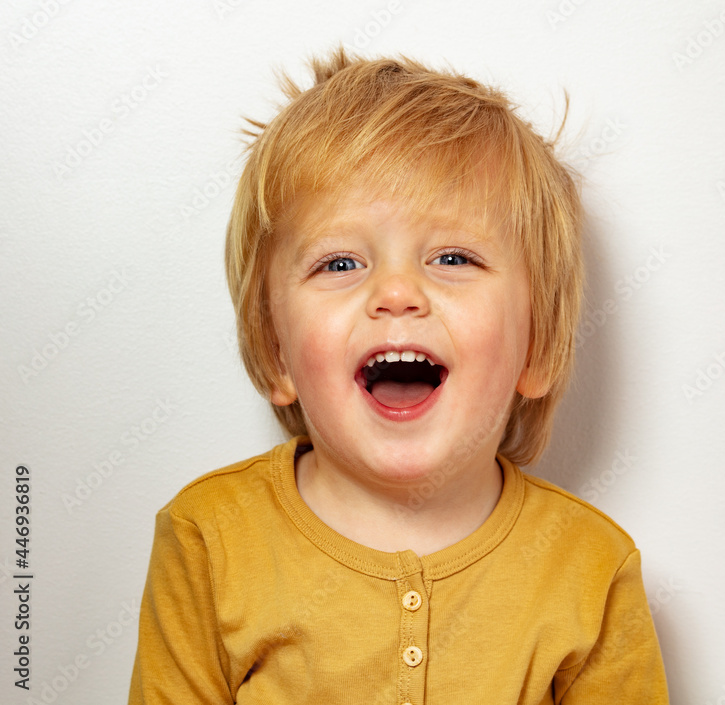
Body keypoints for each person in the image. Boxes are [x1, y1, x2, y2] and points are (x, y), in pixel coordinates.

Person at [128, 46, 669, 704]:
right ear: (275, 352)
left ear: (538, 348)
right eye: (339, 263)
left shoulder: (591, 567)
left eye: (452, 256)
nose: (396, 292)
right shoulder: (207, 538)